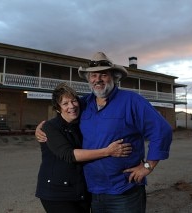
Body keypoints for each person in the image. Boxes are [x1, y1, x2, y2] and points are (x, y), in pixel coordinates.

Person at [35, 52, 172, 213]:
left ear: (114, 77)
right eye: (93, 75)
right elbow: (65, 113)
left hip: (124, 189)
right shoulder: (84, 104)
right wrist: (41, 128)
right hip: (94, 191)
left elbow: (162, 130)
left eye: (103, 74)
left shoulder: (132, 101)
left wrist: (148, 166)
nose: (97, 79)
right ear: (89, 79)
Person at [35, 83, 132, 213]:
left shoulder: (81, 122)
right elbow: (69, 155)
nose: (71, 106)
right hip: (56, 193)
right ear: (58, 109)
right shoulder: (50, 127)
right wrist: (108, 151)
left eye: (74, 101)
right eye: (65, 104)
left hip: (81, 191)